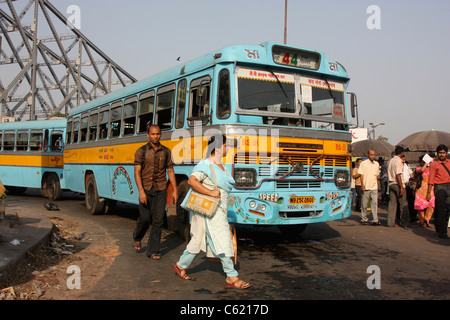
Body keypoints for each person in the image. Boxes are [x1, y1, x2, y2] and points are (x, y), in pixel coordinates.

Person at [173, 134, 251, 289]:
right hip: (209, 210)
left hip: (218, 210)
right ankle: (231, 276)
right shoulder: (205, 164)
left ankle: (180, 265)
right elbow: (191, 181)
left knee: (198, 240)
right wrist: (210, 193)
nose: (227, 148)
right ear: (217, 147)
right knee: (222, 240)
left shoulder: (223, 165)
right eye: (225, 145)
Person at [133, 124, 178, 259]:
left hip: (161, 188)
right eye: (153, 134)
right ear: (148, 135)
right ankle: (137, 236)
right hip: (146, 188)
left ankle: (154, 250)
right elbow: (137, 172)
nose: (155, 136)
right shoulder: (141, 151)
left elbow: (170, 171)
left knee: (158, 220)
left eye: (157, 134)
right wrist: (141, 191)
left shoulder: (166, 151)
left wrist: (175, 190)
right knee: (145, 218)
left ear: (160, 135)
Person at [427, 144, 450, 239]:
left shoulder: (449, 163)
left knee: (448, 209)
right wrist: (429, 192)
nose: (442, 155)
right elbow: (431, 179)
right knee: (441, 210)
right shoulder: (434, 164)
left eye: (443, 153)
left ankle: (438, 223)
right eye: (440, 153)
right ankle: (442, 231)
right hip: (439, 188)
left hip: (449, 187)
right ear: (437, 154)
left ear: (446, 153)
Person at [387, 146, 409, 228]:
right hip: (397, 184)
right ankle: (404, 223)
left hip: (391, 183)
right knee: (403, 204)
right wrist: (402, 187)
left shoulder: (391, 160)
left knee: (392, 204)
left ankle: (390, 222)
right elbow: (399, 175)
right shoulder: (398, 161)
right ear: (402, 153)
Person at [358, 149, 380, 225]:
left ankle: (375, 219)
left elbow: (376, 176)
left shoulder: (376, 164)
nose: (373, 156)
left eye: (374, 154)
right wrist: (362, 185)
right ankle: (364, 218)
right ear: (368, 155)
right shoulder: (363, 163)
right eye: (371, 154)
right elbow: (361, 175)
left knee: (374, 203)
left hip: (374, 186)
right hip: (366, 186)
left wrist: (377, 186)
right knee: (364, 204)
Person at [414, 155, 435, 227]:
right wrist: (426, 163)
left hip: (430, 189)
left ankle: (427, 219)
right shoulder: (418, 168)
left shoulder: (431, 169)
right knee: (420, 206)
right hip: (421, 189)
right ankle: (421, 220)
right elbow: (421, 171)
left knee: (431, 204)